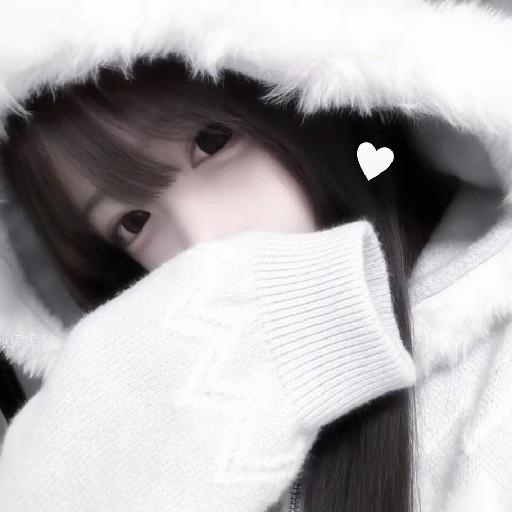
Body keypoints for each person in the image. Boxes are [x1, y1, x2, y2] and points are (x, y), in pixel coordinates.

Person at [0, 1, 511, 511]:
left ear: (313, 95)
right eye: (133, 222)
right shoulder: (161, 415)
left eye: (212, 143)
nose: (203, 240)